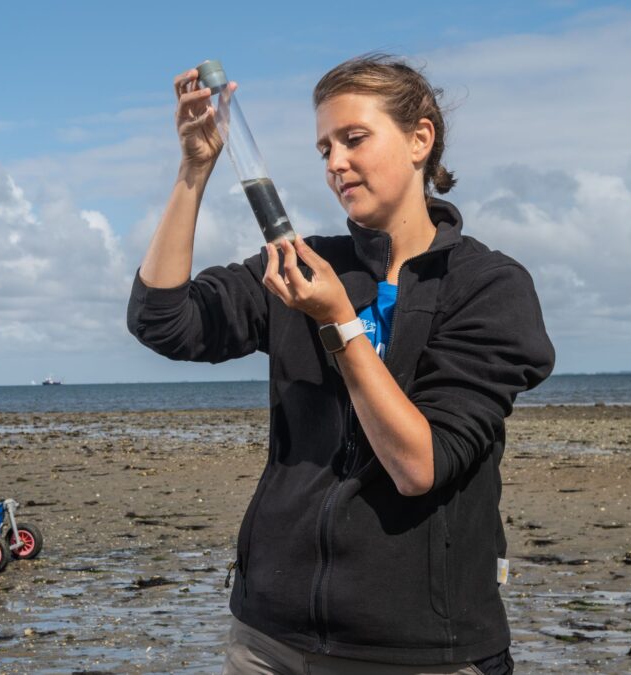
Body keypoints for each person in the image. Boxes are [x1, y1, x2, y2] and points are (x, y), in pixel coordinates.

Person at [126, 53, 555, 674]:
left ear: (419, 139)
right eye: (324, 148)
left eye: (354, 139)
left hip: (420, 652)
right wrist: (194, 171)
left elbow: (419, 464)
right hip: (267, 639)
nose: (336, 163)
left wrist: (337, 322)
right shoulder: (303, 267)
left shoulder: (488, 287)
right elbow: (163, 320)